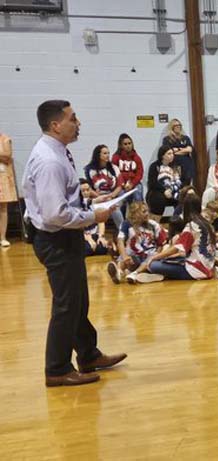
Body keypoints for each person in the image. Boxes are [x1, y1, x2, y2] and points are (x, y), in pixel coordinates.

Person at [22, 100, 126, 386]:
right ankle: (56, 369)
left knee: (78, 300)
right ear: (56, 125)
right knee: (67, 304)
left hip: (64, 235)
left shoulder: (57, 151)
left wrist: (92, 201)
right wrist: (94, 214)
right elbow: (56, 214)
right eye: (73, 118)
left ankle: (88, 354)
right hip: (55, 238)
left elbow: (63, 200)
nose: (78, 123)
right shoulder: (49, 161)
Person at [134, 193, 216, 282]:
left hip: (195, 270)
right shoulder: (209, 225)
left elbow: (176, 248)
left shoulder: (192, 226)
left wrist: (156, 257)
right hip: (209, 268)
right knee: (167, 259)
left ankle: (161, 275)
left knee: (153, 264)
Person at [83, 144, 124, 228]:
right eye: (105, 153)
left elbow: (120, 185)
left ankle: (121, 232)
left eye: (108, 153)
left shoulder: (114, 167)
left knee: (114, 207)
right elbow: (89, 188)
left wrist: (112, 196)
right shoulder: (90, 170)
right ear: (98, 155)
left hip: (113, 195)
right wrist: (101, 197)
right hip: (98, 196)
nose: (108, 155)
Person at [145, 145, 182, 222]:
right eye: (169, 154)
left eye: (172, 153)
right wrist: (164, 190)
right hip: (157, 191)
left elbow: (178, 182)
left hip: (172, 191)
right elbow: (153, 183)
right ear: (162, 155)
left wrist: (172, 190)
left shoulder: (175, 166)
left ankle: (178, 222)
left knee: (183, 198)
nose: (172, 155)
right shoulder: (155, 166)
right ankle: (155, 222)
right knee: (159, 199)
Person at [111, 133, 144, 207]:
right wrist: (123, 184)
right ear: (121, 145)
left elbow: (139, 173)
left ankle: (139, 216)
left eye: (129, 143)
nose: (128, 146)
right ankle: (122, 218)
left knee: (138, 193)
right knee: (121, 196)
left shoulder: (136, 157)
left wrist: (132, 184)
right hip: (121, 184)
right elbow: (114, 173)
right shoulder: (115, 157)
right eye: (125, 144)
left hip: (134, 183)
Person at [161, 118, 195, 185]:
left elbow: (190, 149)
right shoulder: (167, 139)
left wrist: (177, 150)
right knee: (176, 185)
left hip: (187, 166)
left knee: (186, 185)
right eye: (176, 125)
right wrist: (183, 150)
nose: (178, 127)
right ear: (172, 127)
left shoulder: (185, 138)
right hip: (174, 166)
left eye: (179, 125)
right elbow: (168, 151)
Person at [0, 132, 12, 247]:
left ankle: (3, 237)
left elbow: (7, 157)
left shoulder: (5, 139)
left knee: (3, 208)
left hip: (2, 176)